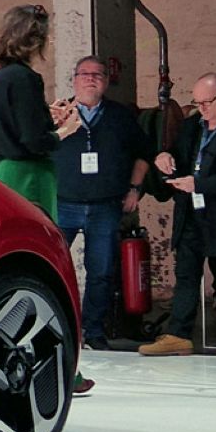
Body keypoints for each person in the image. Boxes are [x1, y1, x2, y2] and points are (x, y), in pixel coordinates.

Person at [0, 4, 93, 394]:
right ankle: (64, 368)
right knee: (47, 270)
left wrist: (46, 117)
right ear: (35, 38)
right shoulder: (26, 79)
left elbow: (12, 130)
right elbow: (34, 141)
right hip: (31, 177)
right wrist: (64, 131)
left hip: (3, 175)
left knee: (12, 271)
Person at [139, 73, 216, 358]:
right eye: (197, 103)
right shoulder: (192, 126)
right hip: (191, 212)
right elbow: (177, 154)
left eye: (208, 102)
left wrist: (200, 185)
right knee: (186, 274)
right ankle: (178, 334)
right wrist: (164, 157)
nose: (202, 108)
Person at [53, 55, 151, 349]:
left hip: (106, 206)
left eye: (98, 74)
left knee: (102, 272)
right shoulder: (59, 113)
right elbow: (36, 151)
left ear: (107, 81)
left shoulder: (121, 116)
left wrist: (134, 189)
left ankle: (92, 330)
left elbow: (143, 154)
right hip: (63, 204)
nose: (91, 79)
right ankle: (58, 329)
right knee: (52, 267)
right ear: (74, 80)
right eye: (84, 74)